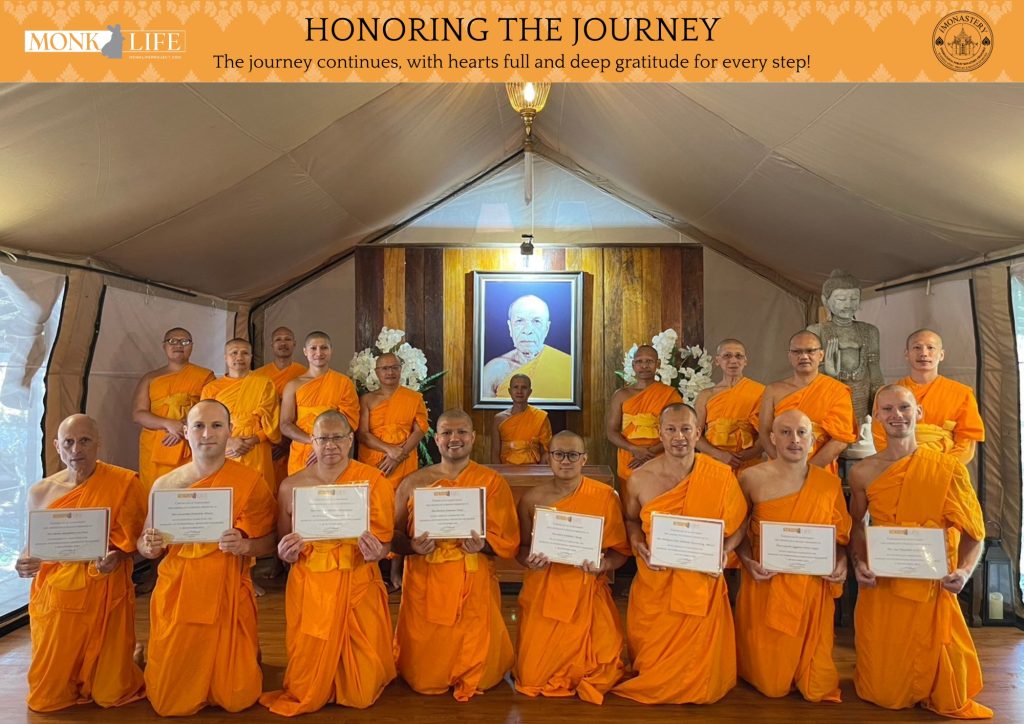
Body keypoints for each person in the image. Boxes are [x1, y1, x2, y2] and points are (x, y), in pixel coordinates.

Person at [849, 385, 992, 719]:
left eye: (904, 407)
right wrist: (859, 563)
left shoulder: (948, 468)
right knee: (883, 692)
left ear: (919, 413)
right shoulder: (862, 471)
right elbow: (857, 525)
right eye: (887, 409)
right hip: (883, 583)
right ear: (877, 416)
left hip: (931, 583)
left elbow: (974, 534)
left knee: (939, 676)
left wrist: (964, 572)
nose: (896, 415)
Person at [139, 400, 277, 716]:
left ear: (229, 431)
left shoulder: (250, 481)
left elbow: (270, 540)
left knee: (238, 697)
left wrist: (245, 546)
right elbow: (146, 546)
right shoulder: (165, 485)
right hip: (179, 590)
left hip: (227, 589)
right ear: (186, 431)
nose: (207, 434)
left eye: (216, 426)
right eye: (199, 426)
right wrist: (149, 545)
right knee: (169, 700)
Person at [261, 411, 396, 715]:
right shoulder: (292, 485)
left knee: (361, 693)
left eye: (337, 438)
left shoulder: (373, 481)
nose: (330, 445)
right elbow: (283, 542)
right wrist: (286, 553)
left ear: (350, 440)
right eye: (323, 438)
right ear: (312, 441)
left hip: (357, 577)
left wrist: (377, 552)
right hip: (311, 583)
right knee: (306, 680)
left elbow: (386, 541)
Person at [611, 404, 747, 705]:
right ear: (660, 433)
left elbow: (740, 524)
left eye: (686, 429)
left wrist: (725, 551)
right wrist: (637, 543)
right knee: (654, 658)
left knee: (701, 674)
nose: (679, 437)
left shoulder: (720, 475)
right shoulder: (640, 478)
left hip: (701, 583)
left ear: (698, 433)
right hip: (656, 581)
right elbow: (631, 520)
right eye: (671, 429)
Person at [18, 414, 146, 712]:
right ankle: (127, 655)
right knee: (46, 699)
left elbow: (136, 543)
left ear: (98, 443)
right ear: (57, 446)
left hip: (106, 588)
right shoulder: (41, 492)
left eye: (85, 441)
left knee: (110, 694)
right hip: (58, 592)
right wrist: (24, 561)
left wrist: (118, 557)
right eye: (69, 442)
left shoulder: (124, 483)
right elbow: (33, 545)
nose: (76, 449)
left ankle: (129, 657)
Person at [392, 409, 520, 701]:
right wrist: (412, 546)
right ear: (436, 439)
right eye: (446, 433)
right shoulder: (414, 482)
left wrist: (482, 545)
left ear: (473, 437)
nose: (454, 438)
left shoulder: (491, 482)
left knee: (477, 659)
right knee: (425, 674)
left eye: (461, 432)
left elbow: (508, 541)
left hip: (472, 577)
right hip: (426, 578)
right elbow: (393, 536)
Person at [734, 410, 851, 703]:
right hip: (767, 584)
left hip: (812, 587)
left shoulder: (828, 484)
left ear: (812, 440)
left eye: (801, 433)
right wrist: (748, 562)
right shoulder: (750, 478)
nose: (794, 439)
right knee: (772, 685)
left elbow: (840, 537)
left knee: (816, 685)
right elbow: (737, 531)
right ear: (772, 438)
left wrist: (841, 562)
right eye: (785, 432)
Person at [514, 431, 630, 703]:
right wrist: (530, 561)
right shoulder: (531, 499)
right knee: (532, 678)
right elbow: (521, 550)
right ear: (548, 458)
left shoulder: (605, 496)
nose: (565, 461)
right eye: (558, 454)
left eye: (573, 455)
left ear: (584, 459)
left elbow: (621, 552)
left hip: (587, 590)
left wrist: (603, 564)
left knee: (602, 671)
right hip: (546, 591)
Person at [871, 329, 985, 463]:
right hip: (898, 465)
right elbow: (880, 437)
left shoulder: (961, 393)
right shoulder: (886, 394)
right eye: (917, 347)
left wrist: (940, 466)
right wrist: (904, 465)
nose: (924, 353)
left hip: (945, 467)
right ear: (907, 354)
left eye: (931, 348)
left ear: (941, 355)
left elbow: (966, 444)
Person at [759, 331, 857, 475]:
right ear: (790, 356)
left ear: (821, 355)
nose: (804, 356)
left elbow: (840, 439)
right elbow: (765, 432)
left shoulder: (837, 391)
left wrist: (806, 471)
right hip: (780, 471)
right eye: (797, 352)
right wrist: (783, 465)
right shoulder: (773, 391)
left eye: (810, 351)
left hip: (820, 470)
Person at [132, 327, 213, 488]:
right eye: (172, 341)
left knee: (190, 490)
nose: (178, 345)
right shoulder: (150, 378)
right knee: (155, 490)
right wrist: (168, 424)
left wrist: (183, 426)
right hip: (157, 443)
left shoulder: (205, 376)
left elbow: (210, 409)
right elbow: (138, 413)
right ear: (164, 346)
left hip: (190, 440)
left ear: (192, 346)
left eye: (185, 342)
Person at [807, 269, 884, 423]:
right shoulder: (816, 331)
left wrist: (880, 399)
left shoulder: (870, 331)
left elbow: (874, 369)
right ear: (825, 300)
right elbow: (807, 374)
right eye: (841, 299)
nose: (848, 304)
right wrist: (826, 371)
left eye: (854, 298)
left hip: (862, 395)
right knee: (833, 429)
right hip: (830, 395)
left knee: (861, 430)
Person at [201, 338, 281, 485]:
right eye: (234, 353)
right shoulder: (211, 388)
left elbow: (272, 421)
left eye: (245, 353)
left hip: (256, 448)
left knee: (258, 491)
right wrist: (229, 442)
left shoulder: (264, 383)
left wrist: (251, 441)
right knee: (227, 491)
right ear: (225, 357)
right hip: (225, 448)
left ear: (251, 357)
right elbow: (204, 424)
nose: (239, 357)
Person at [606, 344, 683, 493]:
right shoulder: (621, 395)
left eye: (649, 361)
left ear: (658, 364)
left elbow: (677, 431)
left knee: (658, 501)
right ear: (633, 365)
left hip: (660, 457)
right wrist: (633, 449)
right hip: (630, 458)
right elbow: (611, 431)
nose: (644, 366)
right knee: (630, 502)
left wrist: (649, 453)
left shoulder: (669, 394)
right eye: (639, 361)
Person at [281, 331, 359, 476]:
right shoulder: (293, 385)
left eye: (324, 348)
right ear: (305, 351)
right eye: (313, 348)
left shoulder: (343, 383)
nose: (319, 353)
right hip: (303, 451)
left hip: (334, 451)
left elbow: (350, 422)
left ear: (331, 351)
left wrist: (327, 445)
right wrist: (314, 443)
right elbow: (285, 425)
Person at [481, 294, 572, 399]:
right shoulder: (494, 371)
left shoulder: (568, 366)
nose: (527, 330)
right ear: (510, 327)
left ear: (546, 329)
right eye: (520, 321)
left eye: (536, 321)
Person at [357, 352, 428, 485]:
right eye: (385, 368)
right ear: (377, 372)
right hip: (374, 459)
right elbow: (362, 434)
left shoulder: (414, 398)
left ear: (401, 369)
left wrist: (397, 456)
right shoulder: (366, 400)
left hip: (404, 459)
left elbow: (420, 430)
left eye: (395, 367)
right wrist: (389, 450)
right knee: (376, 495)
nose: (390, 372)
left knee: (403, 495)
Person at [694, 338, 765, 471]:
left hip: (748, 464)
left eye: (738, 356)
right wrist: (720, 455)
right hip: (713, 462)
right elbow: (694, 435)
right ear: (717, 361)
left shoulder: (760, 391)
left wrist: (743, 457)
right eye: (727, 356)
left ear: (745, 361)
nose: (733, 361)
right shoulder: (706, 395)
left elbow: (767, 434)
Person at [253, 326, 306, 490]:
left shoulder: (304, 373)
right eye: (278, 340)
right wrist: (272, 438)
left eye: (287, 339)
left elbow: (306, 410)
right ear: (271, 345)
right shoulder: (257, 376)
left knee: (292, 488)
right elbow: (254, 412)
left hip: (296, 440)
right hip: (266, 441)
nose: (283, 343)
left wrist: (286, 441)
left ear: (295, 343)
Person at [490, 373, 552, 465]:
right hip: (506, 469)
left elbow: (546, 452)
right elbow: (495, 454)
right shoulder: (499, 419)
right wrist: (500, 472)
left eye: (524, 387)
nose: (519, 391)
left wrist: (539, 472)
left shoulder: (540, 417)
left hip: (533, 469)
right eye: (516, 387)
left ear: (530, 392)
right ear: (510, 391)